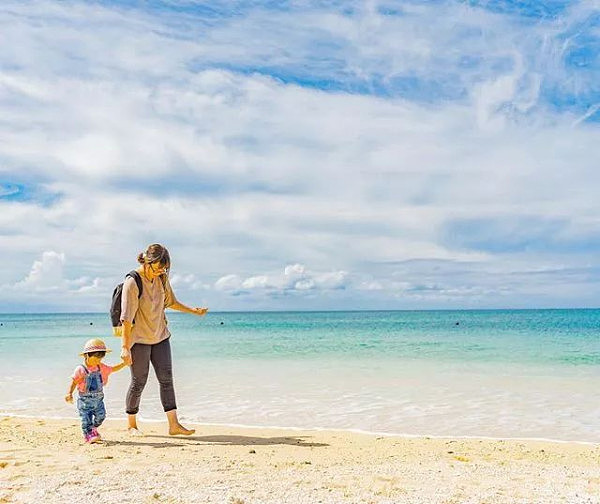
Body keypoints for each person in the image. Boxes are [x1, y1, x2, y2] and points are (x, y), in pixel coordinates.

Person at [120, 243, 208, 436]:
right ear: (148, 261)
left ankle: (174, 425)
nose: (161, 271)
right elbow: (126, 318)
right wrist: (125, 348)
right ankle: (131, 425)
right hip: (139, 340)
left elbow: (171, 302)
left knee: (166, 380)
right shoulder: (132, 282)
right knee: (138, 382)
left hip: (160, 336)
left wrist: (193, 311)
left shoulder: (161, 278)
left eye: (164, 268)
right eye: (158, 267)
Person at [65, 338, 129, 443]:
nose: (98, 362)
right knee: (86, 419)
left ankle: (93, 429)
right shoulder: (81, 369)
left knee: (101, 416)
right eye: (95, 359)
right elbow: (74, 381)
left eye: (100, 359)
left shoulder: (100, 367)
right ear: (86, 356)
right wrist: (69, 393)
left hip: (99, 401)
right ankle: (88, 435)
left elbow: (113, 369)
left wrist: (124, 364)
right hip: (84, 401)